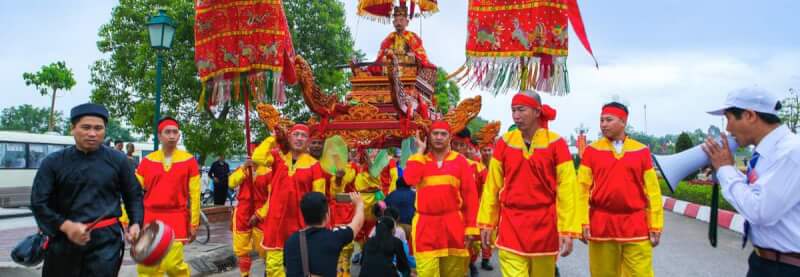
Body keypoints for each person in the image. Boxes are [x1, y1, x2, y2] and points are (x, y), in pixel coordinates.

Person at [30, 103, 143, 277]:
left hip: (106, 241)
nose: (92, 133)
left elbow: (133, 195)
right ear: (72, 129)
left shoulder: (118, 160)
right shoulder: (52, 162)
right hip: (62, 239)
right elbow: (39, 203)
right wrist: (67, 226)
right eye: (86, 127)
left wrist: (136, 223)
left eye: (98, 128)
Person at [477, 90, 580, 276]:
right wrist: (486, 222)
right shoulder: (505, 142)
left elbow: (568, 189)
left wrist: (567, 229)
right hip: (511, 223)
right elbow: (492, 186)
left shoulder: (556, 143)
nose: (516, 116)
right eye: (513, 110)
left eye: (521, 110)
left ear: (537, 111)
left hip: (544, 225)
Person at [702, 88, 800, 276]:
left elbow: (760, 210)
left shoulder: (791, 153)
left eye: (729, 118)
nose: (728, 128)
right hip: (765, 262)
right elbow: (756, 192)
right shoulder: (768, 153)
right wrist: (727, 168)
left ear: (750, 115)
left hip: (787, 268)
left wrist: (725, 169)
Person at [576, 102, 663, 276]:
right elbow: (581, 190)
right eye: (601, 120)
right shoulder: (591, 151)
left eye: (609, 120)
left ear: (623, 122)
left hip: (636, 227)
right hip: (601, 227)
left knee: (641, 273)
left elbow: (653, 192)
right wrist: (581, 222)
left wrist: (656, 225)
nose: (603, 124)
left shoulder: (641, 152)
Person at [404, 120, 480, 277]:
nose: (439, 137)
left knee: (454, 273)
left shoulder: (460, 162)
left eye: (443, 134)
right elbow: (410, 179)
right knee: (426, 272)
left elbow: (470, 198)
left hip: (453, 226)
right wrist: (419, 151)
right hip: (425, 226)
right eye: (435, 133)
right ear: (429, 136)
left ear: (449, 137)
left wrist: (471, 229)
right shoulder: (420, 160)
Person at [250, 124, 327, 277]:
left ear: (308, 141)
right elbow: (257, 157)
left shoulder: (314, 165)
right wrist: (273, 137)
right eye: (296, 134)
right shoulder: (278, 158)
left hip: (300, 224)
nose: (299, 138)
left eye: (303, 136)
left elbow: (319, 199)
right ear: (289, 137)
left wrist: (320, 226)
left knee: (298, 268)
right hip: (276, 223)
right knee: (273, 268)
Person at [135, 117, 201, 276]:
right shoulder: (147, 161)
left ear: (179, 135)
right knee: (147, 266)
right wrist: (127, 218)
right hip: (150, 218)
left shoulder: (189, 161)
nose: (172, 135)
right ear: (159, 136)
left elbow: (195, 194)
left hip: (176, 217)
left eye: (175, 132)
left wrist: (194, 223)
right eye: (167, 132)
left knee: (172, 265)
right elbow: (133, 192)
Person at [284, 192, 365, 277]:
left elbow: (287, 269)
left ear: (303, 215)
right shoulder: (334, 237)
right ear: (327, 215)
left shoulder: (290, 241)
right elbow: (357, 223)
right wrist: (359, 204)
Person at [452, 129, 490, 276]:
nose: (459, 148)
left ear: (468, 146)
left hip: (472, 212)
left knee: (473, 244)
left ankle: (471, 264)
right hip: (451, 214)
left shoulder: (478, 168)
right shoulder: (440, 163)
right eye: (455, 144)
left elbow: (488, 193)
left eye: (462, 145)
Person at [228, 155, 271, 276]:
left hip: (261, 212)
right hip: (243, 211)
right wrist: (244, 167)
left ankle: (269, 271)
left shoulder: (269, 172)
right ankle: (245, 274)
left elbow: (272, 198)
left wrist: (259, 214)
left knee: (265, 247)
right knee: (241, 249)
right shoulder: (243, 169)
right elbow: (231, 183)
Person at [373, 3, 434, 69]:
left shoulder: (412, 37)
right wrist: (388, 53)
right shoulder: (390, 37)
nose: (398, 23)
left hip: (408, 69)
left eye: (401, 20)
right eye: (396, 21)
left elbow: (421, 55)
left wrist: (412, 55)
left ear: (407, 22)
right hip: (392, 69)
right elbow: (381, 55)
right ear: (393, 23)